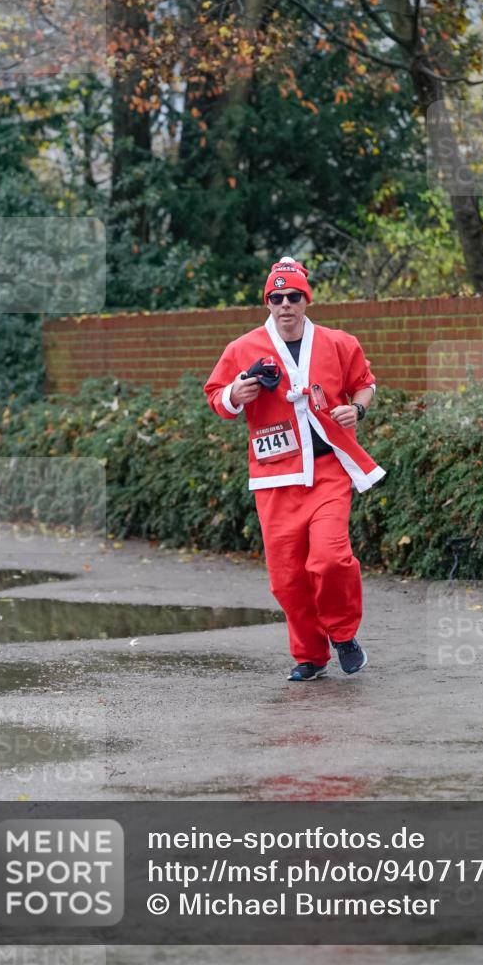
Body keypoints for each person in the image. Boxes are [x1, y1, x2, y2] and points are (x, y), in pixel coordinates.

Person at [203, 257, 385, 681]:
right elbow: (216, 398)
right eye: (276, 297)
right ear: (268, 302)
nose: (285, 304)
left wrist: (355, 409)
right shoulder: (242, 349)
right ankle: (310, 656)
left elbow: (366, 382)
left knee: (330, 560)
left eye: (293, 296)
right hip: (275, 478)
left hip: (327, 473)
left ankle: (342, 635)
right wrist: (237, 391)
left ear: (306, 299)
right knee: (287, 580)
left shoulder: (339, 342)